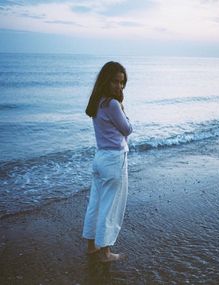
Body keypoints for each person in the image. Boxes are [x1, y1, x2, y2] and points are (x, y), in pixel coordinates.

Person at [82, 61, 133, 262]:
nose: (119, 87)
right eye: (115, 82)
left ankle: (91, 247)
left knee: (95, 203)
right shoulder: (112, 104)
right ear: (106, 81)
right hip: (114, 159)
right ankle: (105, 253)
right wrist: (121, 105)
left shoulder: (98, 101)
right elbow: (127, 129)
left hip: (100, 157)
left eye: (122, 83)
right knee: (110, 207)